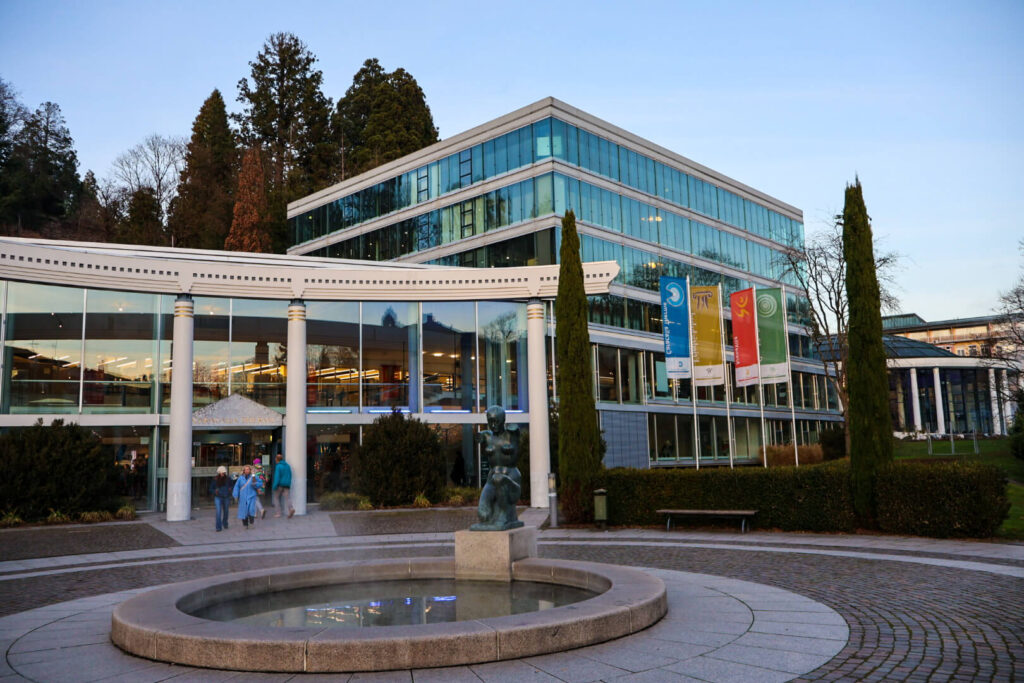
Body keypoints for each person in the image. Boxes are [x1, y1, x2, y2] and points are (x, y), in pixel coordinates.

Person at [233, 464, 259, 529]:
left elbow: (258, 484)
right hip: (243, 497)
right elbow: (236, 486)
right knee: (244, 510)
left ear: (250, 470)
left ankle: (251, 523)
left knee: (251, 510)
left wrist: (255, 483)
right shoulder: (240, 478)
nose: (247, 470)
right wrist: (235, 494)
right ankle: (245, 524)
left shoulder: (253, 477)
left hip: (251, 496)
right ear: (243, 470)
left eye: (248, 469)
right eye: (245, 469)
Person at [209, 465, 232, 532]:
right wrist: (215, 491)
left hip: (226, 497)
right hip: (218, 497)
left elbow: (231, 486)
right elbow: (210, 488)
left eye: (223, 472)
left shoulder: (228, 479)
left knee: (226, 511)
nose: (222, 474)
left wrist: (230, 489)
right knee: (218, 512)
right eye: (221, 472)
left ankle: (225, 523)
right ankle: (218, 527)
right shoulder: (215, 479)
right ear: (218, 473)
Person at [272, 453, 294, 518]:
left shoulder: (278, 466)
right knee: (288, 498)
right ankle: (291, 508)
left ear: (276, 459)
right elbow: (290, 475)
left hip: (280, 485)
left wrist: (274, 486)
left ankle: (278, 513)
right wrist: (288, 483)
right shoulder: (288, 466)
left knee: (276, 498)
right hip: (287, 484)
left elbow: (277, 477)